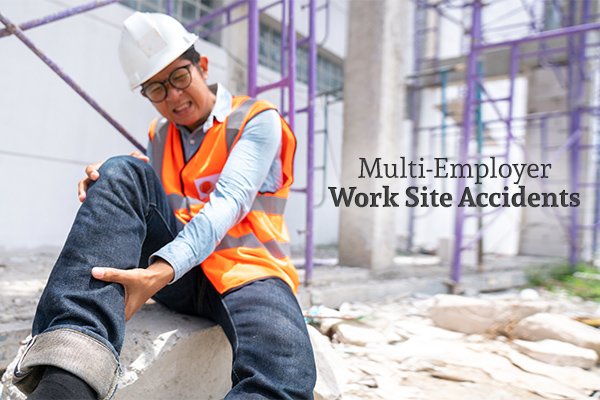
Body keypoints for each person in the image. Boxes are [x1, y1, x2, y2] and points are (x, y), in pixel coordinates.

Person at [12, 11, 316, 400]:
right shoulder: (160, 134)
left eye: (178, 77)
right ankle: (66, 379)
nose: (172, 95)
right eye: (156, 88)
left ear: (202, 66)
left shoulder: (256, 120)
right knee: (118, 171)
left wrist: (159, 270)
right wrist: (110, 185)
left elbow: (230, 202)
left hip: (249, 272)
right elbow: (157, 204)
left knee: (282, 371)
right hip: (183, 275)